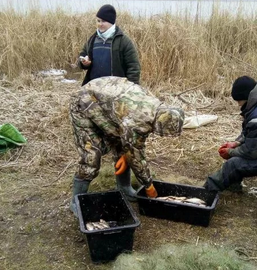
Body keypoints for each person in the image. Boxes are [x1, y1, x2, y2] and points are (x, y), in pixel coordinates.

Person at [69, 76, 184, 214]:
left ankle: (124, 187)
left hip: (109, 106)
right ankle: (76, 200)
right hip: (84, 104)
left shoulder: (155, 108)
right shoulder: (138, 120)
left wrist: (126, 152)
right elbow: (135, 156)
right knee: (92, 157)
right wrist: (148, 185)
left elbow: (130, 140)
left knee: (122, 148)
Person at [77, 4, 141, 86]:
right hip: (94, 87)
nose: (100, 24)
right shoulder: (92, 40)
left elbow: (134, 67)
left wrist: (131, 87)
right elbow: (82, 56)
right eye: (98, 21)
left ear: (111, 22)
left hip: (116, 88)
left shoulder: (123, 41)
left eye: (103, 21)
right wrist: (84, 62)